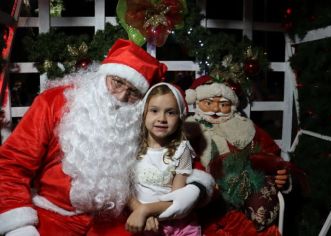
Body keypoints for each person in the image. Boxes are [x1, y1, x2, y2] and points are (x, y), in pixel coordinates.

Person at [0, 39, 214, 236]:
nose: (121, 97)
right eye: (117, 82)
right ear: (103, 75)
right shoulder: (55, 102)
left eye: (133, 92)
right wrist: (20, 226)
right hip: (54, 217)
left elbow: (177, 150)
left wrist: (197, 188)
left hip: (114, 221)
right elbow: (11, 166)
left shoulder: (139, 117)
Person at [184, 75, 292, 236]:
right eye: (208, 102)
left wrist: (281, 175)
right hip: (209, 197)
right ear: (198, 102)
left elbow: (272, 157)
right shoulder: (190, 129)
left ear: (232, 105)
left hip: (248, 190)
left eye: (223, 104)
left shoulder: (246, 127)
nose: (215, 109)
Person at [125, 82, 201, 235]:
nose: (162, 118)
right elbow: (124, 190)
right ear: (144, 113)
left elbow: (177, 199)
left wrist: (146, 210)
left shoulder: (182, 150)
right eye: (154, 111)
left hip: (175, 225)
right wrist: (140, 212)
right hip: (139, 221)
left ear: (179, 118)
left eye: (170, 112)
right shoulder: (130, 146)